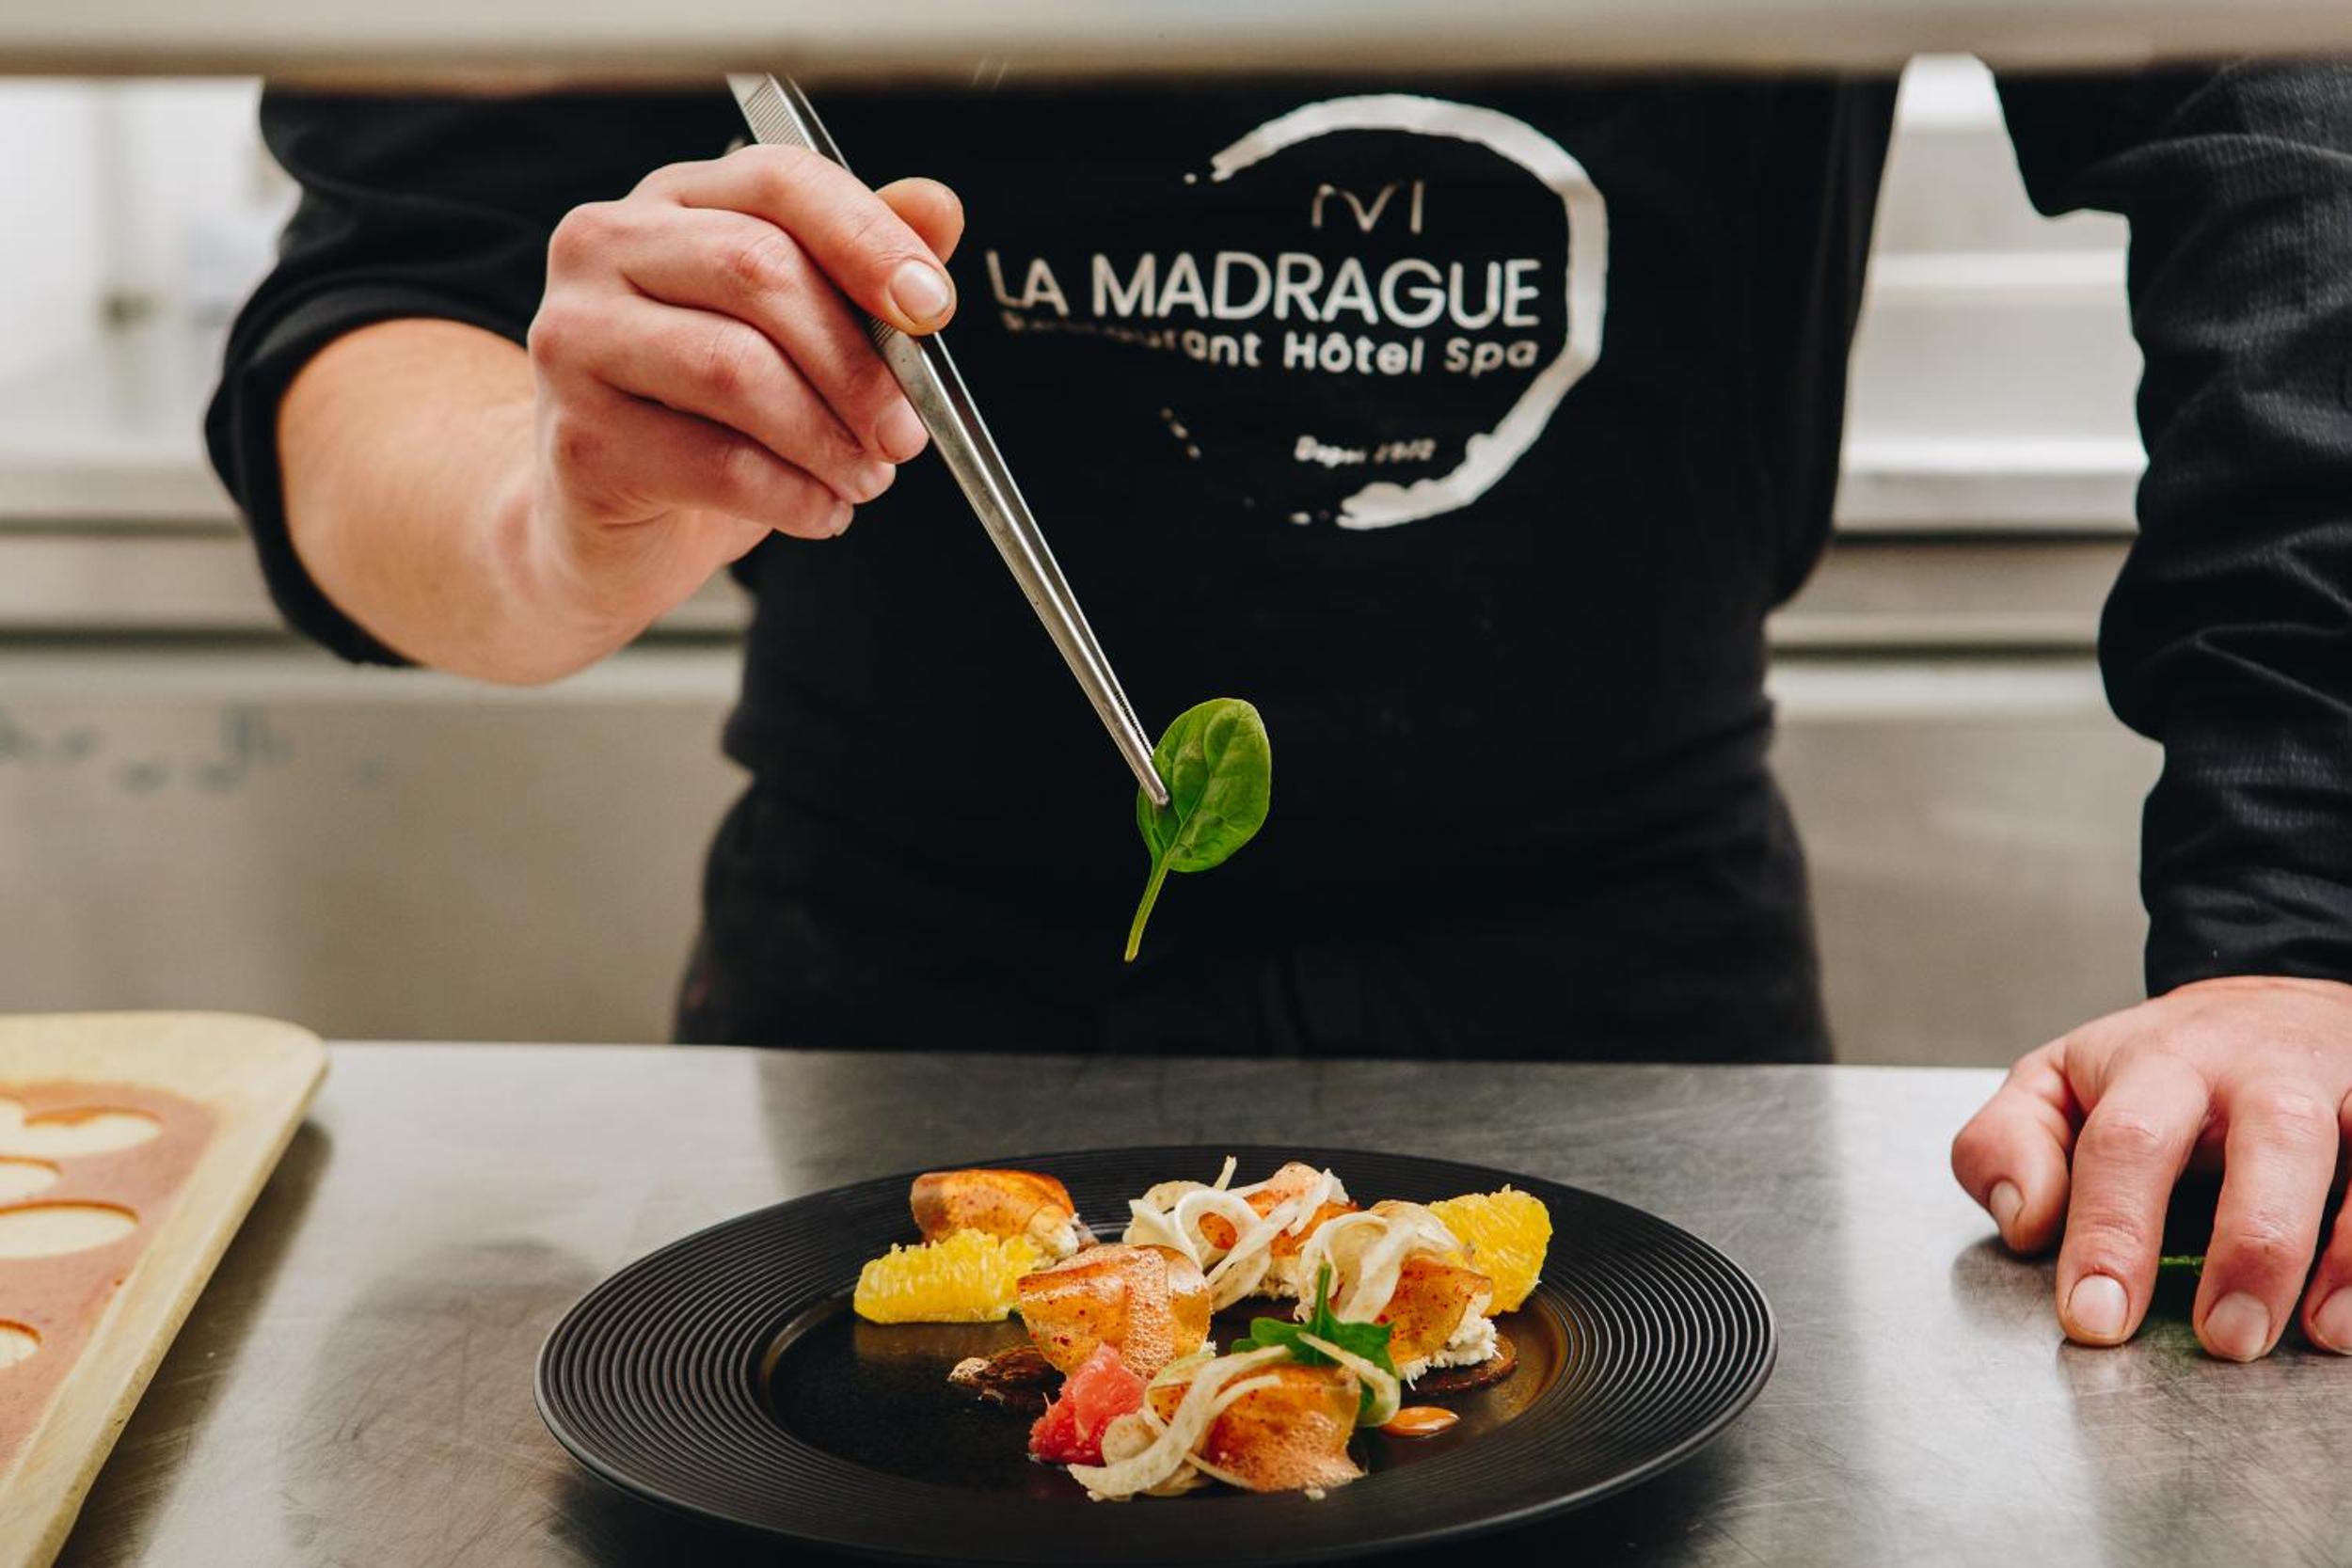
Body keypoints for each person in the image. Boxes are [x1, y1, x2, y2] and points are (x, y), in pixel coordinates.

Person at [209, 67, 2352, 1364]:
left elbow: (2271, 132)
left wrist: (2295, 923)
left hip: (1636, 974)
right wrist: (556, 521)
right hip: (890, 981)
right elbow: (390, 295)